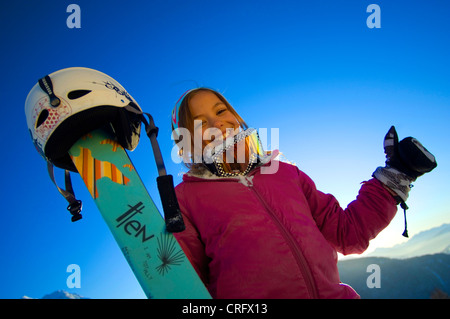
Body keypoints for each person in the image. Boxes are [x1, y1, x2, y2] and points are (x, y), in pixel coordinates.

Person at [170, 87, 437, 299]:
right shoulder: (186, 199)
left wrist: (392, 180)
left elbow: (347, 233)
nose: (217, 123)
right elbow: (186, 283)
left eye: (220, 110)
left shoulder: (285, 174)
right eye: (200, 122)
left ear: (237, 119)